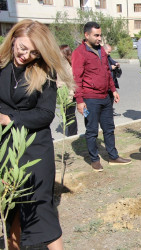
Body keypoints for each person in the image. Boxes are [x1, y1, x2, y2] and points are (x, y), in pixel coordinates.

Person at [0, 19, 74, 249]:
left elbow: (45, 114)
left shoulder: (44, 71)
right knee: (9, 208)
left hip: (34, 149)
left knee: (41, 209)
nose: (26, 55)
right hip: (5, 148)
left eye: (34, 52)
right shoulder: (1, 66)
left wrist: (10, 119)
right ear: (13, 39)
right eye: (23, 48)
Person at [72, 21, 132, 171]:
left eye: (100, 35)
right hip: (90, 99)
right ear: (87, 35)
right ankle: (94, 159)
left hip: (106, 97)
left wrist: (113, 90)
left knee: (109, 128)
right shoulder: (79, 53)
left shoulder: (102, 51)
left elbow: (107, 72)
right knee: (92, 130)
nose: (99, 38)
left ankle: (113, 156)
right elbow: (76, 79)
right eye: (96, 35)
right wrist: (80, 101)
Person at [57, 44, 78, 136]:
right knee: (66, 114)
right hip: (62, 93)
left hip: (69, 94)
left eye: (60, 52)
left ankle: (72, 134)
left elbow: (71, 82)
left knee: (70, 115)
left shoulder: (69, 65)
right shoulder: (61, 63)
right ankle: (70, 132)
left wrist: (70, 95)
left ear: (65, 53)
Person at [103, 44, 122, 116]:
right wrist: (110, 67)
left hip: (111, 81)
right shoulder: (100, 57)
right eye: (108, 52)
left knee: (111, 97)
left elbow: (112, 61)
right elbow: (102, 68)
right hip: (105, 82)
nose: (109, 54)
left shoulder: (108, 56)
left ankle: (110, 111)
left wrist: (116, 64)